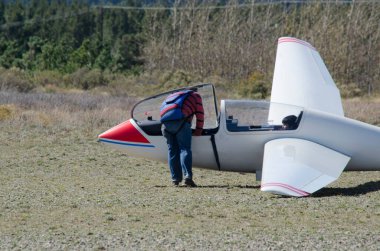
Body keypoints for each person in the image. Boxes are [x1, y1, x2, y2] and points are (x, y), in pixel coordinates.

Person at [160, 88, 204, 187]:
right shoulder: (196, 96)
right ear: (195, 90)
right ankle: (188, 177)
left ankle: (175, 180)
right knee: (184, 149)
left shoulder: (174, 96)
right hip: (182, 123)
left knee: (172, 150)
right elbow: (200, 115)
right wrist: (198, 131)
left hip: (165, 125)